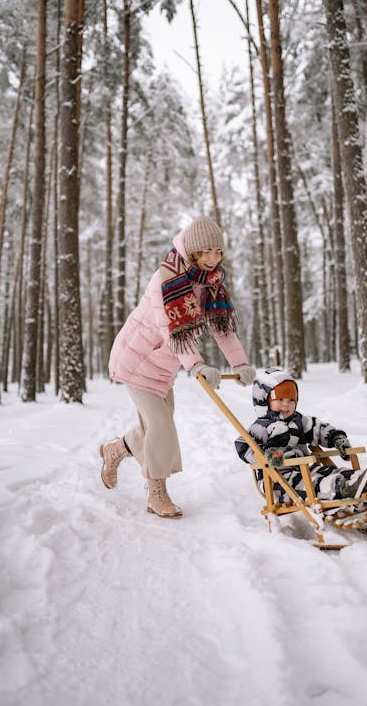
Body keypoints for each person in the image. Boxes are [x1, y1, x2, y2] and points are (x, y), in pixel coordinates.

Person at [101, 216, 256, 518]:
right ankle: (156, 493)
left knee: (153, 429)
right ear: (194, 251)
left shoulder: (210, 283)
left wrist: (241, 363)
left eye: (218, 252)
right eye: (207, 252)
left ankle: (115, 450)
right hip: (136, 361)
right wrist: (196, 365)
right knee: (161, 426)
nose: (214, 259)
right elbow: (169, 330)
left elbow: (222, 328)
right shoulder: (166, 279)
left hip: (163, 368)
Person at [235, 368, 367, 502]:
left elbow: (317, 428)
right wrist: (266, 457)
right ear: (264, 400)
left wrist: (336, 438)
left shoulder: (299, 421)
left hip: (306, 468)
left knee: (332, 472)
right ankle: (343, 489)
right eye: (280, 400)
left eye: (291, 400)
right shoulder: (260, 427)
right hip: (278, 479)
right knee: (315, 483)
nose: (286, 405)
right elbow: (243, 445)